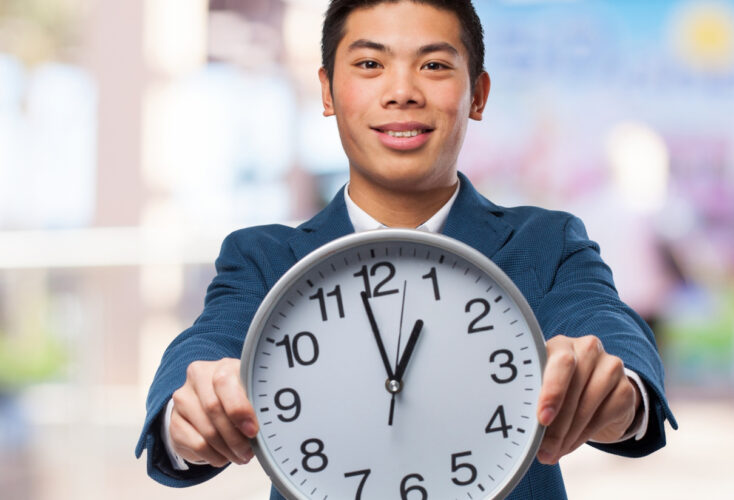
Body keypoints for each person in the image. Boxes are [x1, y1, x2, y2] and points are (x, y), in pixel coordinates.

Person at [136, 1, 677, 498]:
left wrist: (618, 387)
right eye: (370, 65)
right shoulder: (262, 257)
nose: (402, 92)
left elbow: (604, 320)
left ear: (479, 94)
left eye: (435, 66)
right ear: (327, 91)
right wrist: (187, 408)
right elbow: (207, 342)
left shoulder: (546, 242)